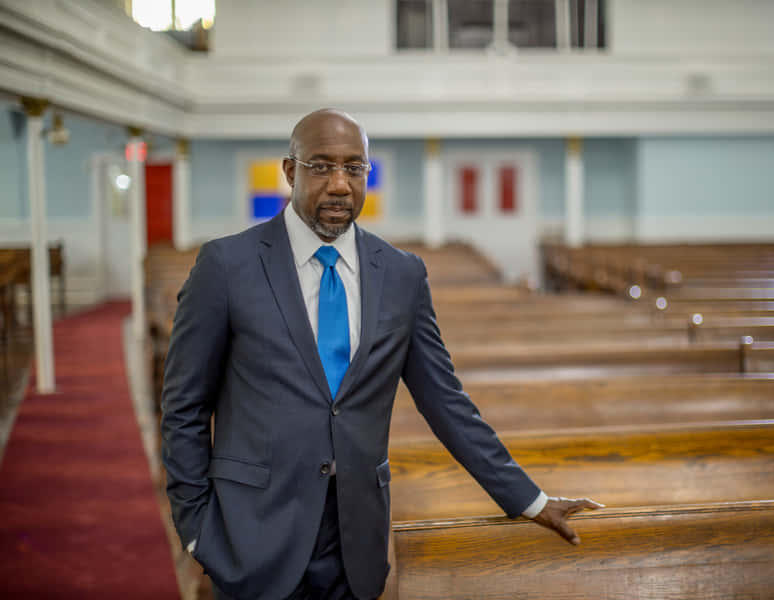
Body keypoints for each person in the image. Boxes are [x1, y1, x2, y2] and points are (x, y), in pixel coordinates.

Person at [160, 109, 601, 600]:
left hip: (355, 545)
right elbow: (184, 408)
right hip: (250, 538)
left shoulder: (401, 274)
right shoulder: (226, 266)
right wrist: (196, 529)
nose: (340, 185)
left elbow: (446, 402)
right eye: (322, 166)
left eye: (354, 168)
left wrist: (528, 498)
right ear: (290, 171)